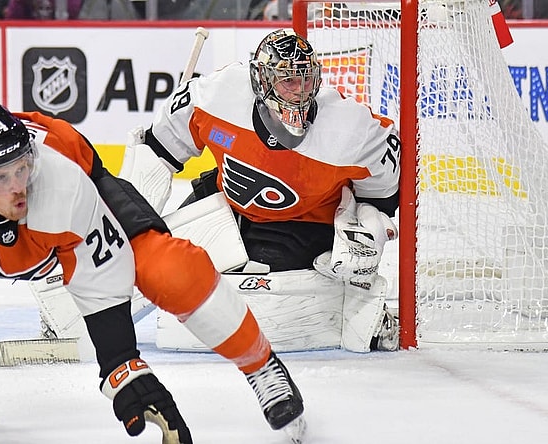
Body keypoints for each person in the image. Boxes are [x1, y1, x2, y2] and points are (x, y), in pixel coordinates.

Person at [0, 98, 306, 443]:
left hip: (80, 213)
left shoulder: (61, 183)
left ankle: (260, 365)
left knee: (174, 271)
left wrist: (124, 368)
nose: (17, 188)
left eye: (21, 168)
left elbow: (98, 282)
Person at [120, 28, 401, 354]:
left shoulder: (352, 129)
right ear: (261, 81)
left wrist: (365, 219)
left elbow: (382, 193)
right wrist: (132, 227)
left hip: (303, 223)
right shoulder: (215, 96)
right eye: (289, 81)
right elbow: (154, 153)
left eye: (306, 80)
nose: (300, 93)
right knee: (155, 268)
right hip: (223, 205)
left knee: (252, 314)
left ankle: (351, 311)